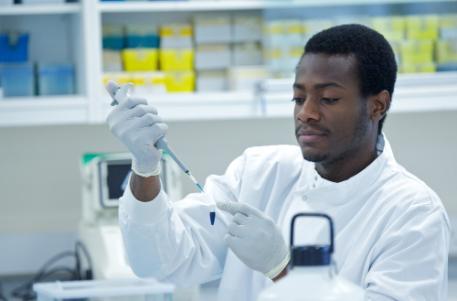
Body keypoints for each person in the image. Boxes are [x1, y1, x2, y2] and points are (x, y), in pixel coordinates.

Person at [107, 24, 450, 301]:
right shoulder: (259, 173)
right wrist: (145, 169)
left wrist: (283, 270)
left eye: (328, 99)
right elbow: (159, 262)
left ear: (377, 105)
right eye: (298, 97)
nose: (306, 113)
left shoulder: (414, 214)